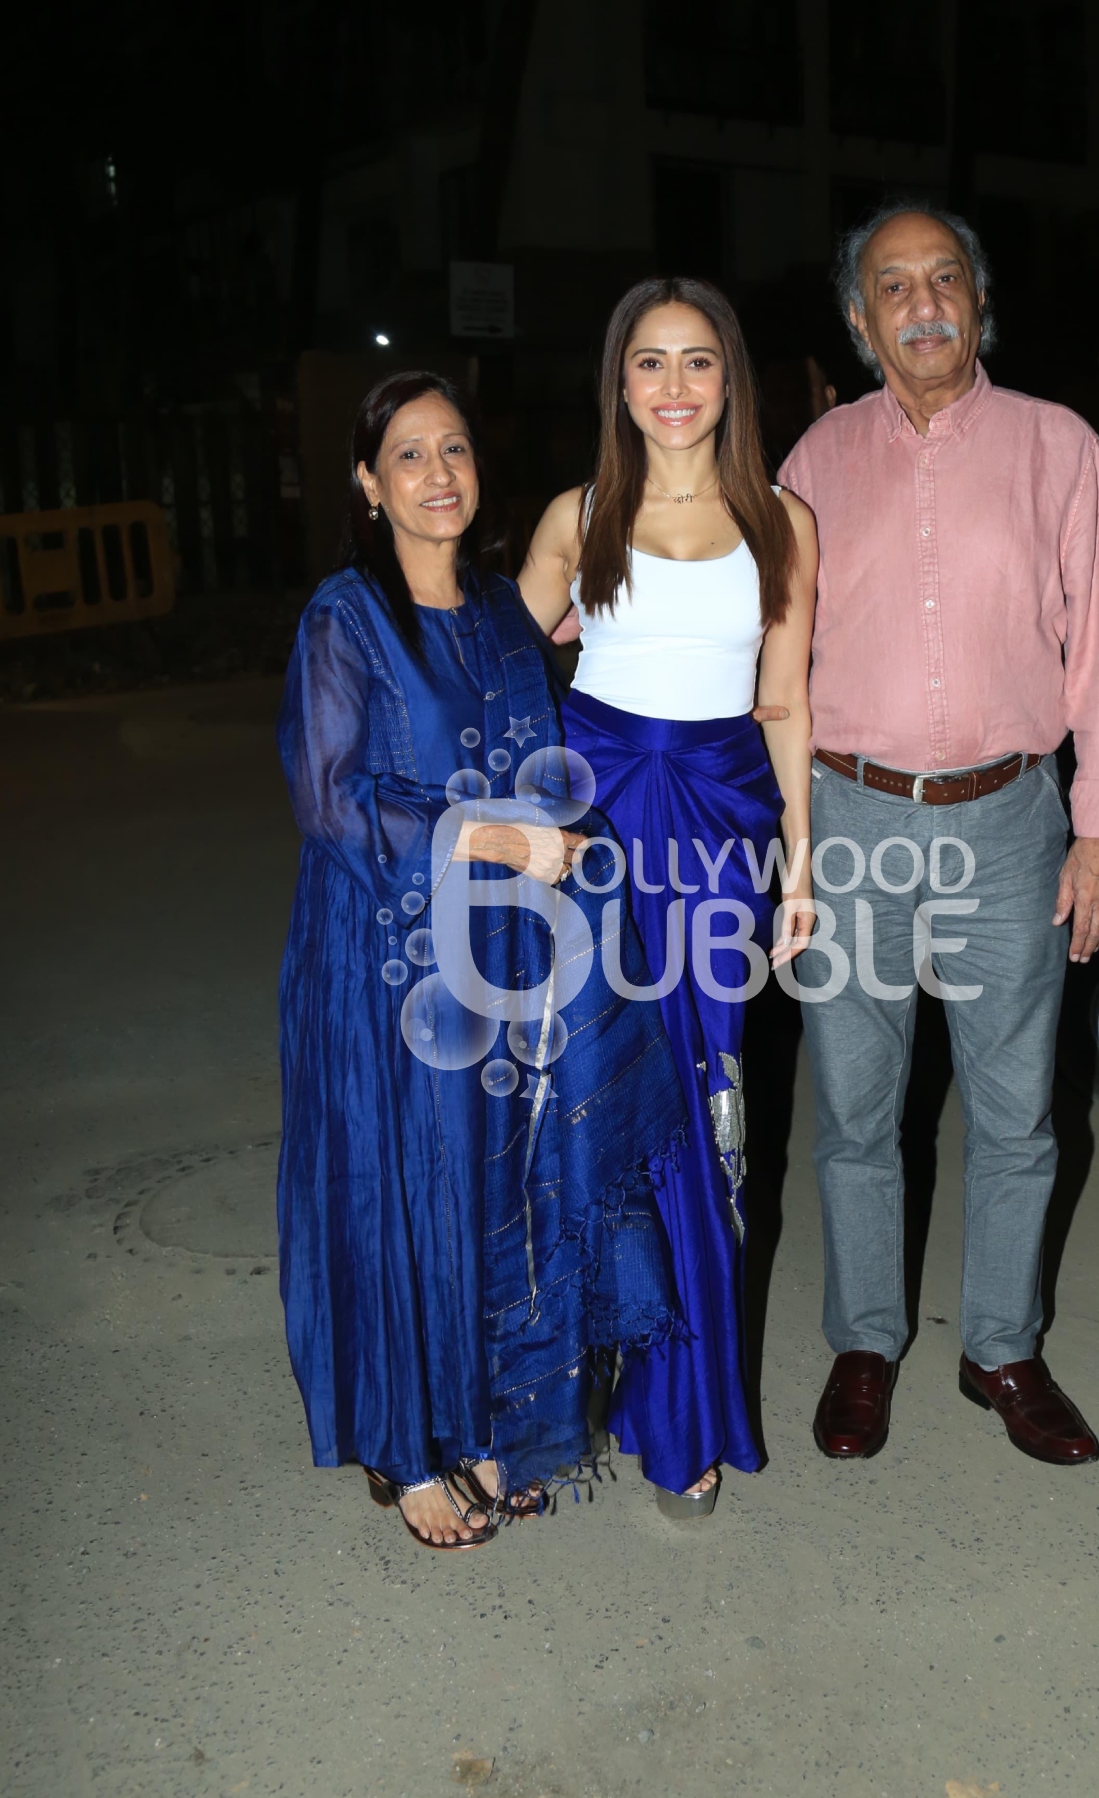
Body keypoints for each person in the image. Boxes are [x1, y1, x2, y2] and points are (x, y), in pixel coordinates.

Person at [275, 371, 683, 1550]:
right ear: (367, 482)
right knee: (399, 1188)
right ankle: (407, 1450)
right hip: (383, 954)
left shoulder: (507, 611)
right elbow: (331, 798)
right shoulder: (344, 618)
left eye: (454, 448)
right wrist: (492, 834)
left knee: (495, 1179)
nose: (438, 474)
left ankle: (486, 1415)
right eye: (409, 455)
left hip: (502, 947)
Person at [777, 199, 1099, 1469]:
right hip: (851, 820)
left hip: (1008, 819)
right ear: (858, 317)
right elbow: (767, 660)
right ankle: (865, 1341)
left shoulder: (1061, 447)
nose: (924, 304)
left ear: (980, 303)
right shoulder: (813, 463)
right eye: (895, 286)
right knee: (854, 1108)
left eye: (946, 279)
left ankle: (1000, 1343)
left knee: (1016, 1112)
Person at [519, 277, 819, 1518]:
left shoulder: (784, 520)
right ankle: (552, 1398)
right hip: (595, 834)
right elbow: (493, 665)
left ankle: (684, 1412)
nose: (678, 386)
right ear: (619, 383)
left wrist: (800, 866)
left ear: (730, 380)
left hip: (716, 833)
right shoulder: (578, 515)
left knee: (704, 1110)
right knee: (582, 1105)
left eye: (700, 362)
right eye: (652, 362)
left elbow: (787, 700)